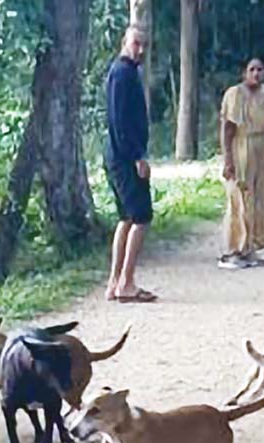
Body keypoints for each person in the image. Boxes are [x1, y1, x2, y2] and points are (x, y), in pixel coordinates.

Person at [104, 26, 157, 303]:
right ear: (124, 42)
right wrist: (137, 156)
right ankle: (126, 282)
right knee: (141, 217)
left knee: (126, 218)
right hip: (123, 156)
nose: (140, 50)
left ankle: (116, 282)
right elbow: (119, 121)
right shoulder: (122, 74)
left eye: (144, 45)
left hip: (118, 154)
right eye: (136, 43)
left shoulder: (125, 72)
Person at [218, 58, 264, 270]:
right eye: (252, 69)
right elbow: (228, 129)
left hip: (262, 149)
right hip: (241, 147)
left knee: (258, 199)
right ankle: (233, 250)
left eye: (260, 69)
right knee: (241, 199)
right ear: (244, 73)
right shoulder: (235, 94)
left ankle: (250, 247)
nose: (256, 73)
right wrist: (228, 160)